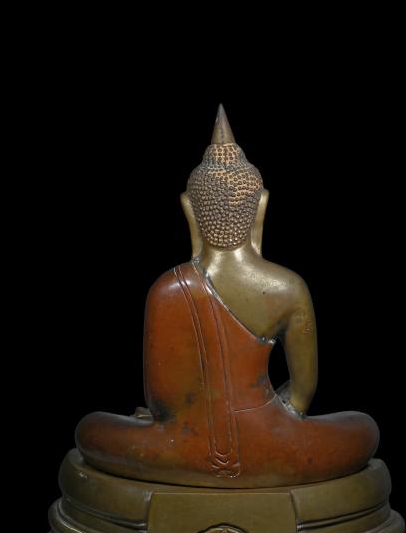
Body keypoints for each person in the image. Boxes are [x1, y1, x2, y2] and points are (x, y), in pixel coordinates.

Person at [76, 106, 379, 488]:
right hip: (272, 446)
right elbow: (302, 395)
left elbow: (160, 404)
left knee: (90, 430)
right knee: (364, 428)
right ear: (261, 206)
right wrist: (273, 424)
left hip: (182, 450)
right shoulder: (288, 288)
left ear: (189, 210)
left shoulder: (166, 290)